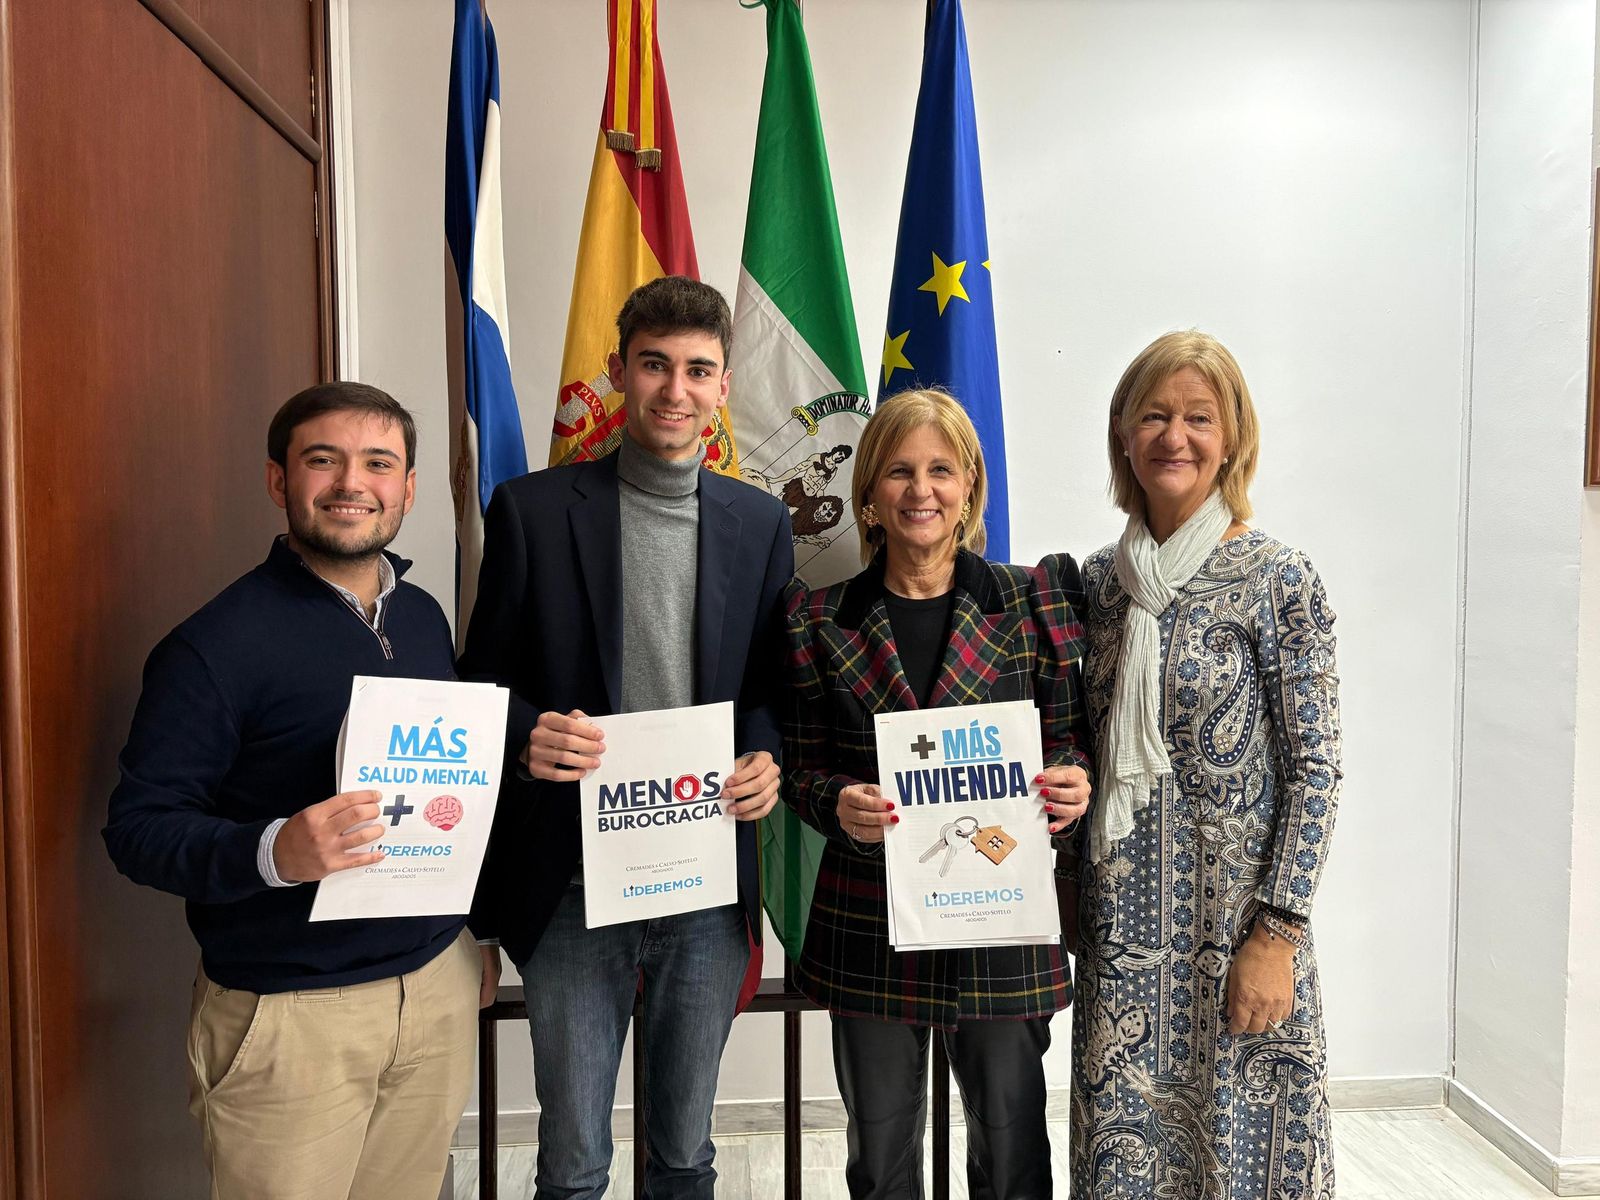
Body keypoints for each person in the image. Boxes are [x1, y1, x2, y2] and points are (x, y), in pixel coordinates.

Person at [103, 382, 494, 1200]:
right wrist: (274, 851)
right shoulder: (213, 646)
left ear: (408, 487)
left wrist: (469, 937)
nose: (353, 483)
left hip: (434, 990)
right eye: (324, 460)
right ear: (279, 479)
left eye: (378, 463)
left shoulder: (422, 618)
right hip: (292, 1016)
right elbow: (138, 829)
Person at [459, 276, 794, 1199]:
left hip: (704, 879)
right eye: (654, 365)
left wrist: (766, 757)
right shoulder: (530, 511)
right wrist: (527, 736)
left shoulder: (761, 521)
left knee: (685, 1157)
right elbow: (479, 684)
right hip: (571, 883)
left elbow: (767, 689)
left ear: (724, 385)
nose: (675, 390)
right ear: (618, 371)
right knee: (572, 1166)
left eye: (698, 370)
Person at [782, 389, 1093, 1199]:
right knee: (880, 1161)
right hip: (869, 921)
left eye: (941, 470)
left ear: (969, 487)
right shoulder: (817, 619)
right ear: (869, 497)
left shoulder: (1031, 601)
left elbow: (1068, 741)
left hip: (1003, 918)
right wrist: (835, 803)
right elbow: (799, 769)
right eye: (899, 472)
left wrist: (1073, 782)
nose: (921, 490)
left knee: (1013, 1155)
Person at [1068, 331, 1342, 1199]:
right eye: (1153, 416)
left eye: (1198, 418)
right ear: (1123, 435)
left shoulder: (1278, 579)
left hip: (1236, 933)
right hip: (1121, 942)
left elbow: (1317, 772)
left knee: (1246, 1161)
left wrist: (1278, 936)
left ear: (1232, 440)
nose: (1173, 437)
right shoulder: (1097, 585)